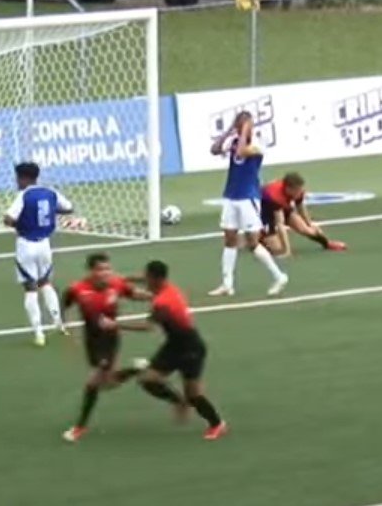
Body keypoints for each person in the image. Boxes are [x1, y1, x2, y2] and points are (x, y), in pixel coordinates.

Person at [122, 260, 228, 441]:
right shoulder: (167, 287)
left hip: (190, 348)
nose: (144, 281)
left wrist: (116, 325)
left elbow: (147, 327)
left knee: (193, 395)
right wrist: (123, 279)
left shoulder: (164, 302)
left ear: (154, 279)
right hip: (174, 345)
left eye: (146, 278)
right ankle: (179, 402)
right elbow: (141, 279)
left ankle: (217, 424)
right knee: (148, 380)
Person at [61, 253, 153, 442]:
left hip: (109, 339)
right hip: (91, 340)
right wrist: (64, 324)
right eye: (101, 269)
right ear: (91, 271)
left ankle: (80, 427)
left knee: (93, 383)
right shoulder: (77, 289)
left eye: (108, 269)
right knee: (107, 383)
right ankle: (136, 369)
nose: (105, 273)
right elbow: (64, 304)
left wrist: (155, 295)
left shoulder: (116, 284)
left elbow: (135, 294)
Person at [207, 110, 288, 297]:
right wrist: (229, 131)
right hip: (231, 196)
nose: (240, 128)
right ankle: (227, 284)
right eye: (239, 124)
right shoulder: (234, 141)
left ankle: (279, 276)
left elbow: (243, 151)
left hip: (248, 198)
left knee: (253, 242)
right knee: (229, 238)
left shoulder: (258, 143)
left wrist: (244, 131)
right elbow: (214, 149)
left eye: (243, 125)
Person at [3, 161, 73, 347]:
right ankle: (59, 324)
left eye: (17, 178)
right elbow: (68, 208)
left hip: (26, 244)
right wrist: (50, 212)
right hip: (45, 245)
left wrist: (21, 224)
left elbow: (8, 219)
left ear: (23, 178)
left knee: (30, 288)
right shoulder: (50, 192)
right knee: (46, 282)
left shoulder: (24, 195)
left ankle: (38, 332)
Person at [260, 172, 346, 257]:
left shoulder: (298, 191)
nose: (300, 192)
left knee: (306, 230)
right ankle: (261, 238)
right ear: (288, 189)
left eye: (300, 189)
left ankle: (327, 243)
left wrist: (309, 224)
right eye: (297, 190)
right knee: (278, 249)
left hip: (282, 207)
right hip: (264, 212)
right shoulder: (275, 196)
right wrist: (287, 251)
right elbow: (280, 225)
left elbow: (300, 207)